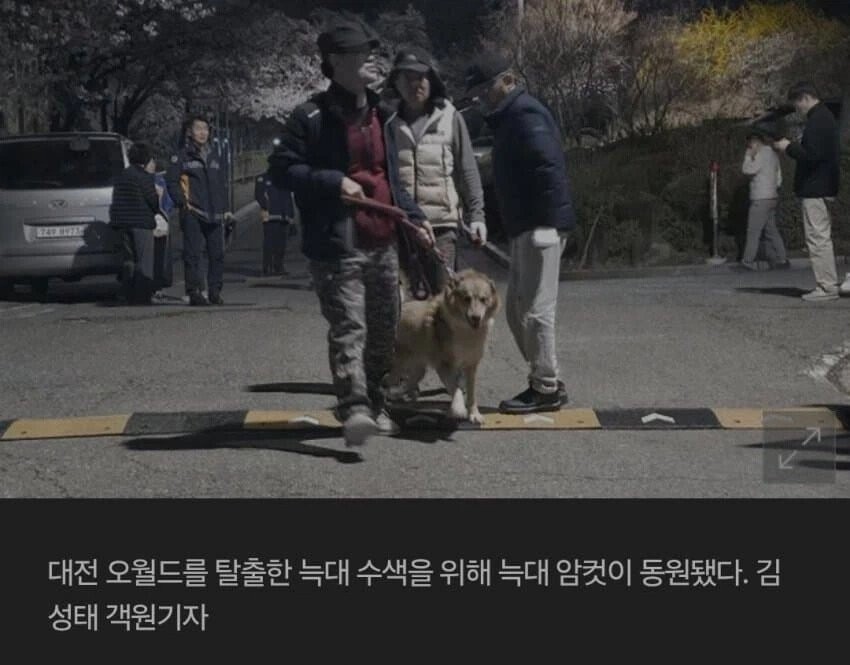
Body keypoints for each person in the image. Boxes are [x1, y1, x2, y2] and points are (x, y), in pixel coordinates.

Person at [268, 15, 434, 447]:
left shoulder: (383, 113)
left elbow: (390, 180)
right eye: (361, 54)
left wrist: (415, 218)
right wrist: (332, 181)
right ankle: (354, 406)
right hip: (337, 242)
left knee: (385, 330)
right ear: (336, 62)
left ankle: (375, 401)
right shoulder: (310, 116)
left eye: (372, 53)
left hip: (383, 237)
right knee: (348, 326)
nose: (371, 61)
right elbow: (281, 170)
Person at [465, 51, 575, 414]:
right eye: (477, 92)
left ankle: (545, 387)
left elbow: (548, 168)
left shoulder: (525, 113)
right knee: (515, 310)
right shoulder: (511, 116)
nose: (481, 97)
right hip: (526, 225)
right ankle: (547, 377)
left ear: (508, 80)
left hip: (540, 225)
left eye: (485, 88)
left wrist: (546, 225)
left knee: (536, 311)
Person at [386, 47, 487, 296]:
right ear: (395, 83)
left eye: (421, 77)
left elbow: (468, 169)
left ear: (431, 80)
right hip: (401, 227)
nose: (415, 84)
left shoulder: (450, 117)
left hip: (442, 224)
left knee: (444, 301)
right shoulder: (387, 122)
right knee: (404, 304)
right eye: (407, 78)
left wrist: (477, 216)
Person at [773, 82, 842, 301]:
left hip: (815, 187)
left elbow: (811, 155)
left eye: (797, 103)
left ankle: (826, 286)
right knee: (820, 237)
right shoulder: (825, 117)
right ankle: (828, 284)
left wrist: (788, 146)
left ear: (805, 98)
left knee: (817, 238)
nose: (796, 108)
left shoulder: (817, 120)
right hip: (823, 185)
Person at [165, 115, 233, 306]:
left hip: (215, 212)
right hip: (193, 211)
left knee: (217, 255)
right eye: (198, 129)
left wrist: (226, 208)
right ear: (190, 132)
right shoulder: (181, 156)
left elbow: (221, 184)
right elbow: (171, 182)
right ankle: (194, 291)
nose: (203, 133)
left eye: (205, 129)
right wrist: (182, 202)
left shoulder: (215, 155)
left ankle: (214, 291)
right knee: (193, 254)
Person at [109, 142, 168, 305]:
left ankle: (127, 293)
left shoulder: (122, 175)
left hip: (122, 223)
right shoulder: (144, 176)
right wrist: (158, 197)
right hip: (141, 223)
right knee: (144, 261)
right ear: (146, 159)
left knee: (129, 260)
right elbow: (153, 201)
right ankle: (142, 295)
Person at [737, 124, 790, 271]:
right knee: (771, 230)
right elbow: (779, 178)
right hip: (772, 197)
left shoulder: (760, 154)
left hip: (760, 199)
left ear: (754, 142)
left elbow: (748, 170)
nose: (748, 147)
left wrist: (748, 156)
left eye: (749, 144)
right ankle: (782, 259)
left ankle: (747, 262)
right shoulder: (773, 154)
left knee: (753, 231)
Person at [254, 169, 296, 276]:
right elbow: (259, 195)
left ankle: (279, 266)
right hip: (269, 216)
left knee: (281, 244)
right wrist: (266, 206)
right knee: (269, 243)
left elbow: (288, 198)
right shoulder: (262, 178)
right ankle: (267, 267)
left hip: (283, 216)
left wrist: (291, 215)